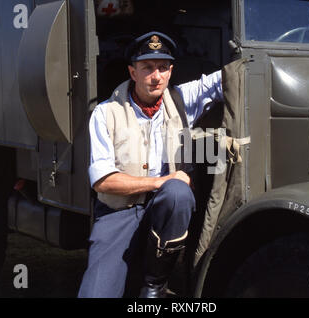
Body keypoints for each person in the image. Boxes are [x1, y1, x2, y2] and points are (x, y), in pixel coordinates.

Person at [78, 31, 223, 298]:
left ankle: (155, 285)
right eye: (147, 68)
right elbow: (103, 180)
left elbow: (227, 79)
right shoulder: (105, 112)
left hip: (163, 209)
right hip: (119, 212)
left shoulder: (180, 100)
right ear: (133, 72)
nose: (156, 76)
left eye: (163, 68)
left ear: (170, 71)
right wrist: (160, 181)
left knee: (178, 193)